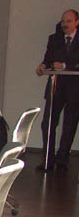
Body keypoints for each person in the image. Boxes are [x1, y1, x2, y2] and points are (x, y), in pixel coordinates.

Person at [36, 9, 79, 172]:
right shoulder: (54, 39)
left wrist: (66, 65)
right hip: (56, 87)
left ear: (77, 22)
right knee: (48, 123)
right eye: (63, 21)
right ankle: (48, 158)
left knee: (70, 124)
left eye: (69, 21)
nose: (65, 24)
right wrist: (43, 66)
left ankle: (62, 160)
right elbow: (48, 59)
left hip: (75, 88)